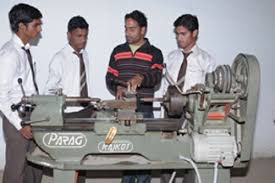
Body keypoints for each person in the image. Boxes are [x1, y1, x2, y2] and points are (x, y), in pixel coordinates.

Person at [105, 10, 164, 183]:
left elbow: (156, 77)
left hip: (145, 111)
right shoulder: (117, 51)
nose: (127, 33)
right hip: (122, 110)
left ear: (143, 30)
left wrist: (142, 77)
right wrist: (117, 87)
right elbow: (109, 77)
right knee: (127, 153)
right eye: (126, 28)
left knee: (144, 155)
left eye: (132, 29)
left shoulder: (155, 53)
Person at [161, 14, 216, 183]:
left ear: (195, 33)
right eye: (177, 34)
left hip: (193, 114)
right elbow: (165, 85)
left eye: (183, 34)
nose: (179, 38)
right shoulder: (171, 57)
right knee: (166, 151)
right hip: (171, 110)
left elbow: (211, 91)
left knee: (191, 151)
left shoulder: (206, 60)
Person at [0, 3, 43, 183]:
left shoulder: (24, 51)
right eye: (36, 25)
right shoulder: (9, 54)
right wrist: (20, 124)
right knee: (15, 171)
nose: (40, 29)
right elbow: (1, 95)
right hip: (17, 118)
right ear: (21, 26)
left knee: (34, 168)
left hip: (30, 115)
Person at [44, 16, 93, 116]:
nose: (83, 40)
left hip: (87, 109)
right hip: (68, 112)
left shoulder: (84, 54)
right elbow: (48, 90)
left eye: (85, 36)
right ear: (69, 35)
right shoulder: (59, 59)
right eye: (79, 36)